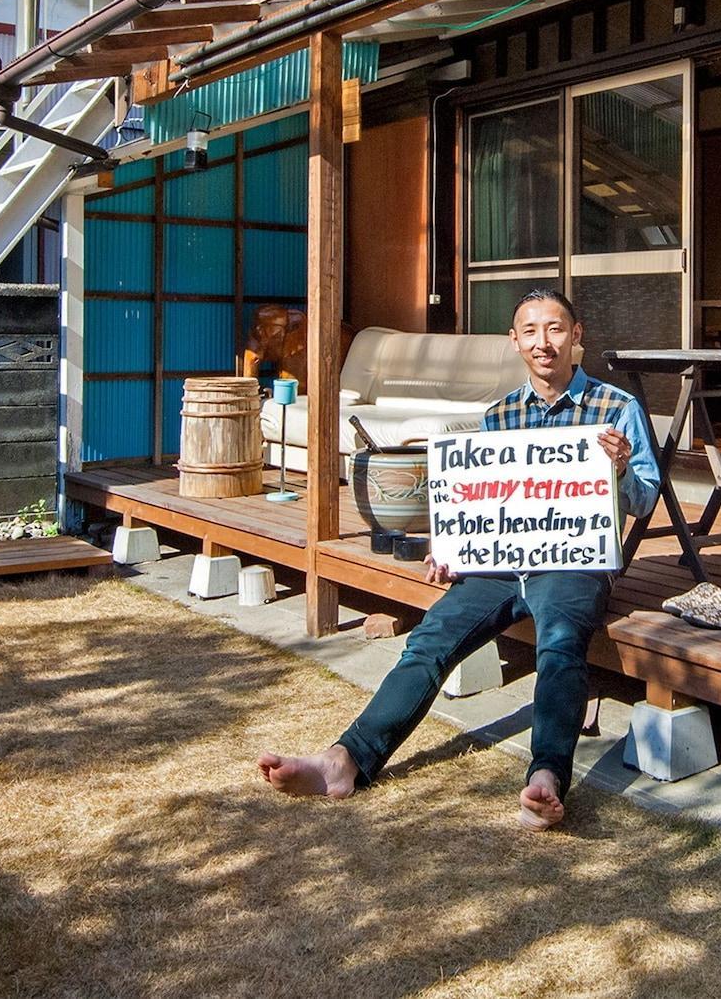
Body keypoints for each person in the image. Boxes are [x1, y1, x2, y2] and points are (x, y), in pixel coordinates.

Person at [258, 288, 660, 830]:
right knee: (429, 639)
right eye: (530, 331)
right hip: (499, 566)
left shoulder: (617, 409)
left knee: (561, 645)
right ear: (514, 342)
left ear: (577, 336)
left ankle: (546, 776)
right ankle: (344, 760)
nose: (543, 342)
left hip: (574, 563)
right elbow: (479, 503)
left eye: (555, 329)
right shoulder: (499, 415)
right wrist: (452, 547)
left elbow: (644, 500)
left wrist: (621, 469)